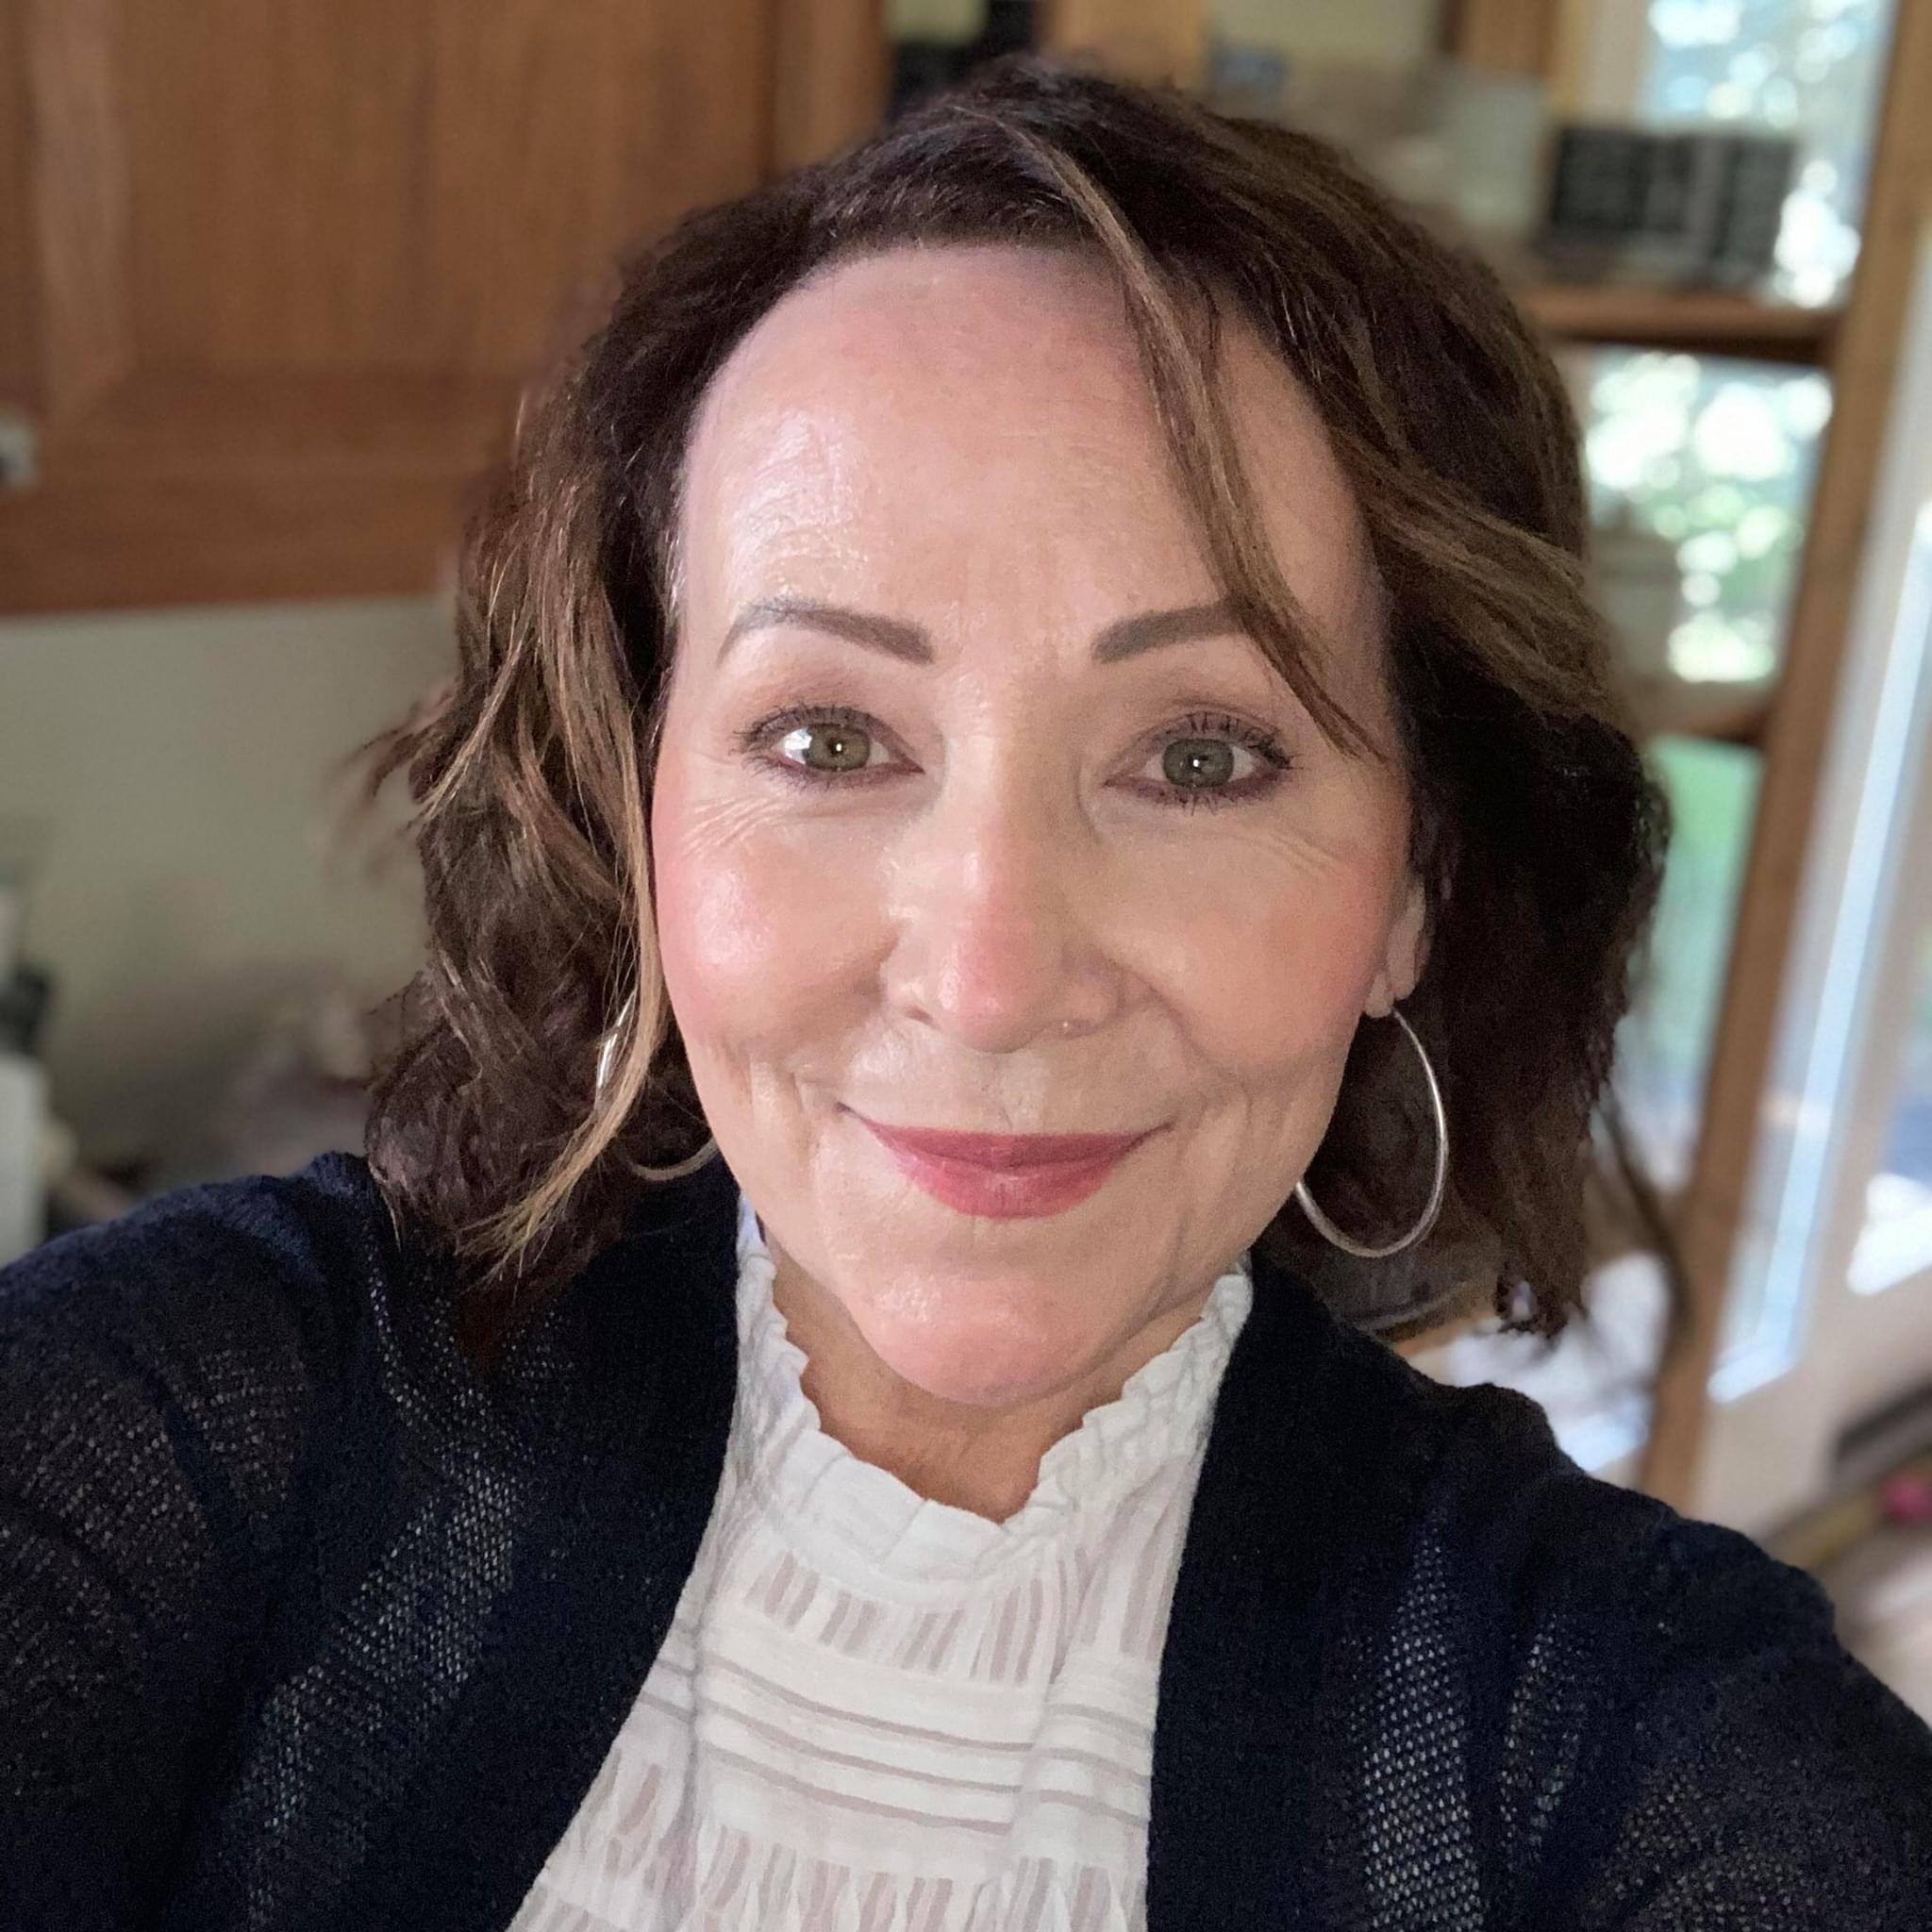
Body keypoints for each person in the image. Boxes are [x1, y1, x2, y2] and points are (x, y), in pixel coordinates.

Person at [3, 54, 1929, 1932]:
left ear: (1412, 883)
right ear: (637, 815)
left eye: (1200, 756)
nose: (993, 977)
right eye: (830, 735)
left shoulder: (1622, 1736)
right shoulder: (193, 1430)